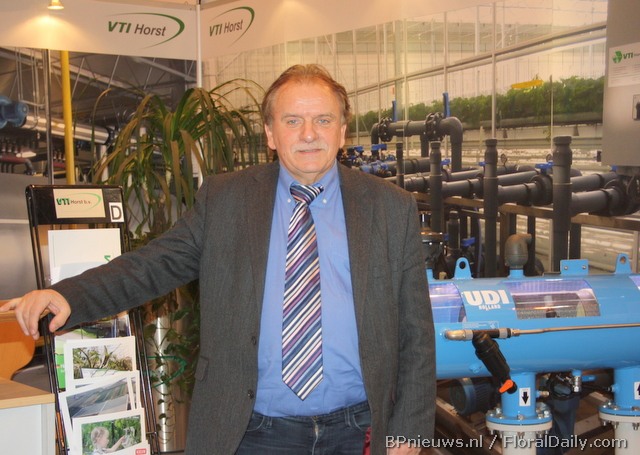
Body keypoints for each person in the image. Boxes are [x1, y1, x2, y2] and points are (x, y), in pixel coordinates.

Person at [2, 64, 435, 455]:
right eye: (292, 121)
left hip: (358, 430)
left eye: (323, 120)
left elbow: (415, 331)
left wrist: (410, 431)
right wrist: (68, 295)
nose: (309, 133)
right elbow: (152, 265)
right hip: (250, 431)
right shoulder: (227, 199)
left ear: (342, 131)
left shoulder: (389, 208)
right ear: (270, 134)